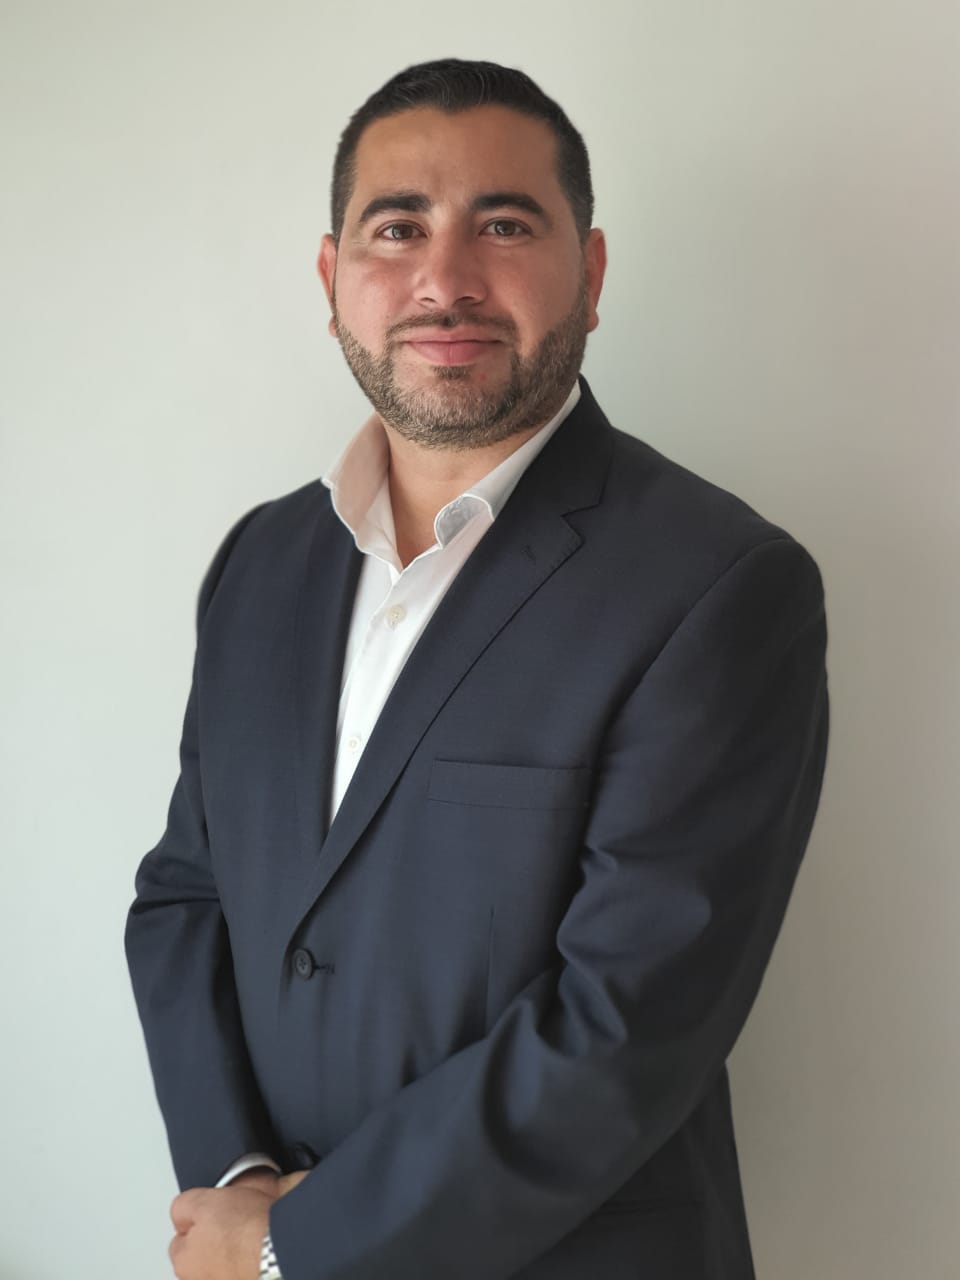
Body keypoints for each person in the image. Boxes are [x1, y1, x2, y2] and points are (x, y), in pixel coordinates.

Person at [125, 57, 829, 1280]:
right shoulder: (261, 562)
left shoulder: (720, 584)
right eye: (397, 228)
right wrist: (237, 1185)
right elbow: (187, 896)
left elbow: (629, 1025)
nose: (444, 279)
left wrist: (298, 1242)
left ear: (590, 273)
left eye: (503, 225)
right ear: (332, 277)